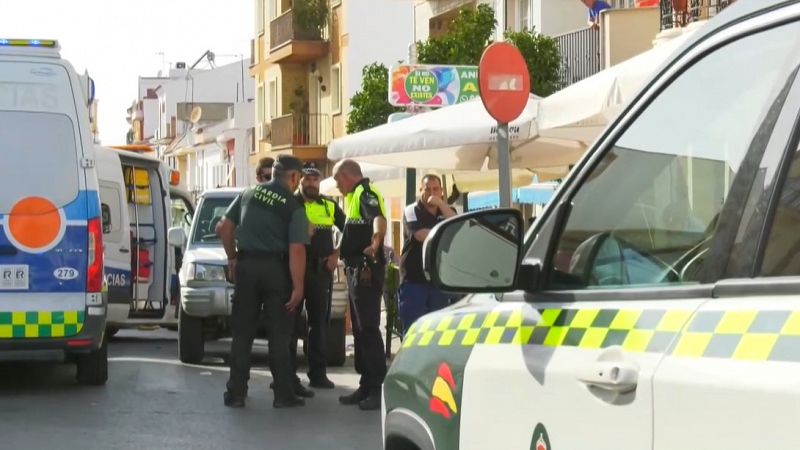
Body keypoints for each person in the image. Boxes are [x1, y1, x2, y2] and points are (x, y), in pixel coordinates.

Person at [217, 155, 309, 409]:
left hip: (246, 268)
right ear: (292, 177)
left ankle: (236, 393)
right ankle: (283, 395)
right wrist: (298, 286)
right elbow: (297, 250)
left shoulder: (248, 193)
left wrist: (233, 257)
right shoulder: (292, 207)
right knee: (279, 335)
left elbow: (223, 227)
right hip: (276, 271)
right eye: (298, 179)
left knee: (242, 333)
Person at [333, 159, 387, 411]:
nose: (336, 185)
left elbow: (378, 219)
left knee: (369, 330)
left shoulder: (366, 193)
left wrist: (376, 244)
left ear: (346, 176)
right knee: (359, 330)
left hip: (365, 270)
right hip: (355, 270)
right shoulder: (355, 196)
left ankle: (377, 388)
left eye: (337, 180)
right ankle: (366, 384)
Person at [290, 161, 346, 389]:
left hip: (320, 271)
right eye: (307, 179)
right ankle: (288, 375)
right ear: (300, 180)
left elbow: (349, 229)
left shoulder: (329, 206)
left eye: (315, 179)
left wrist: (336, 255)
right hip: (294, 270)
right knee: (290, 323)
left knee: (319, 324)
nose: (312, 183)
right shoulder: (291, 204)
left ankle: (318, 373)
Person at [398, 174, 457, 336]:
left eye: (435, 189)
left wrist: (440, 204)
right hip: (414, 279)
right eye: (427, 189)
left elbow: (458, 227)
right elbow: (420, 235)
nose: (431, 192)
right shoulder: (411, 210)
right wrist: (446, 232)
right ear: (420, 191)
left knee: (439, 332)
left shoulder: (447, 211)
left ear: (442, 191)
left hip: (439, 280)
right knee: (413, 331)